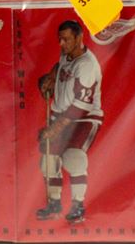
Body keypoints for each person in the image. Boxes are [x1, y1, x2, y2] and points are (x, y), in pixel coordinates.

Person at [36, 20, 103, 223]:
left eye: (66, 39)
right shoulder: (67, 53)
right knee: (48, 160)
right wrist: (51, 76)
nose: (61, 44)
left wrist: (55, 129)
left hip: (84, 116)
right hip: (61, 113)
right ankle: (54, 204)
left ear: (79, 37)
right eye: (60, 39)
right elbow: (61, 66)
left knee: (74, 157)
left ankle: (78, 206)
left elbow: (80, 106)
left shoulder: (87, 65)